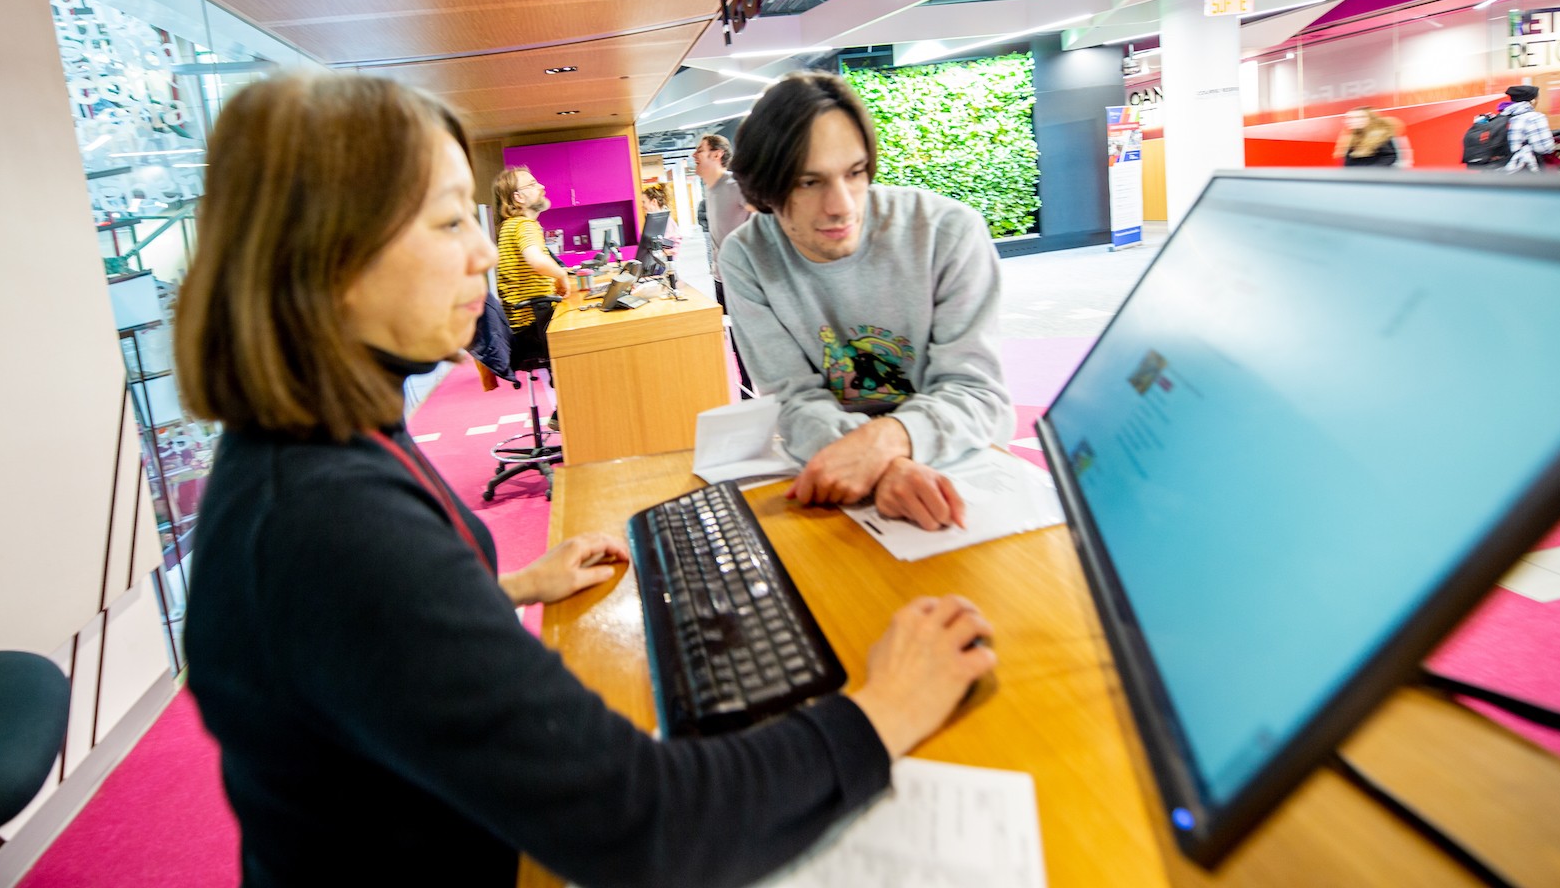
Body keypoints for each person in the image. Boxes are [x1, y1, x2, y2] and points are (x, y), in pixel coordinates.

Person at [174, 73, 998, 887]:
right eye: (451, 218)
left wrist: (486, 591)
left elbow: (362, 641)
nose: (484, 252)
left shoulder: (306, 452)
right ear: (330, 254)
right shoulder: (332, 525)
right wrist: (885, 707)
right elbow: (653, 825)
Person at [723, 72, 1015, 534]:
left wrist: (886, 443)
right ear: (765, 193)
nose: (841, 205)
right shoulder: (747, 257)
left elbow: (976, 393)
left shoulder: (947, 232)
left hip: (961, 475)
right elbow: (793, 400)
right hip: (840, 478)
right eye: (808, 182)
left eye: (855, 173)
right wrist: (879, 465)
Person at [692, 132, 754, 392]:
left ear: (717, 154)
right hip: (721, 278)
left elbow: (765, 214)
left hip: (742, 278)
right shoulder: (711, 191)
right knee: (736, 340)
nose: (694, 156)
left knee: (750, 338)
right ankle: (748, 392)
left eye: (700, 150)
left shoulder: (734, 184)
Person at [492, 165, 568, 333]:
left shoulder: (511, 225)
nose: (542, 187)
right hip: (534, 324)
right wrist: (561, 275)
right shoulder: (523, 225)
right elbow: (536, 260)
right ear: (518, 197)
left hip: (528, 323)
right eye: (532, 184)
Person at [1501, 83, 1556, 173]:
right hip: (1523, 170)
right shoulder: (1534, 117)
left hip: (1502, 171)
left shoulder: (1502, 116)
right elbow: (1544, 148)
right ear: (1533, 101)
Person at [1332, 107, 1410, 168]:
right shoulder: (1353, 137)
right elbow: (1349, 161)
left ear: (1369, 119)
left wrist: (1371, 172)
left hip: (1377, 180)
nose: (1351, 121)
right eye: (1349, 118)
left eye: (1358, 117)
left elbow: (1390, 156)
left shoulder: (1381, 135)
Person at [640, 183, 681, 258]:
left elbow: (675, 246)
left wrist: (663, 253)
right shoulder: (652, 221)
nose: (642, 206)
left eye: (644, 202)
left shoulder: (667, 221)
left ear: (654, 202)